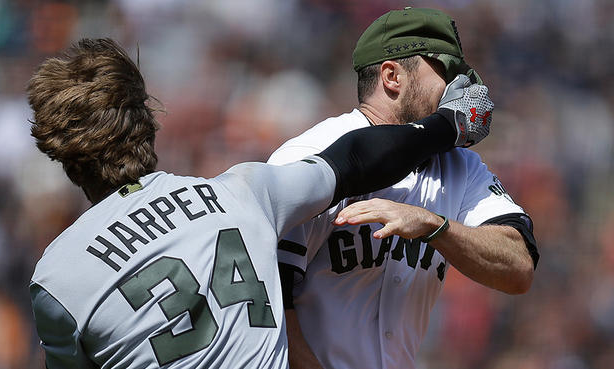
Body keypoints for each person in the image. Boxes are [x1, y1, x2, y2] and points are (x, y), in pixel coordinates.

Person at [26, 38, 493, 368]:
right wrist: (447, 126)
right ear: (149, 124)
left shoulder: (58, 275)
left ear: (62, 158)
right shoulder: (242, 194)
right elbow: (357, 157)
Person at [267, 7, 539, 369]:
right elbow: (265, 300)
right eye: (446, 71)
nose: (462, 89)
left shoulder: (462, 167)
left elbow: (518, 267)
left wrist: (434, 226)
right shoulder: (312, 155)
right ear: (392, 76)